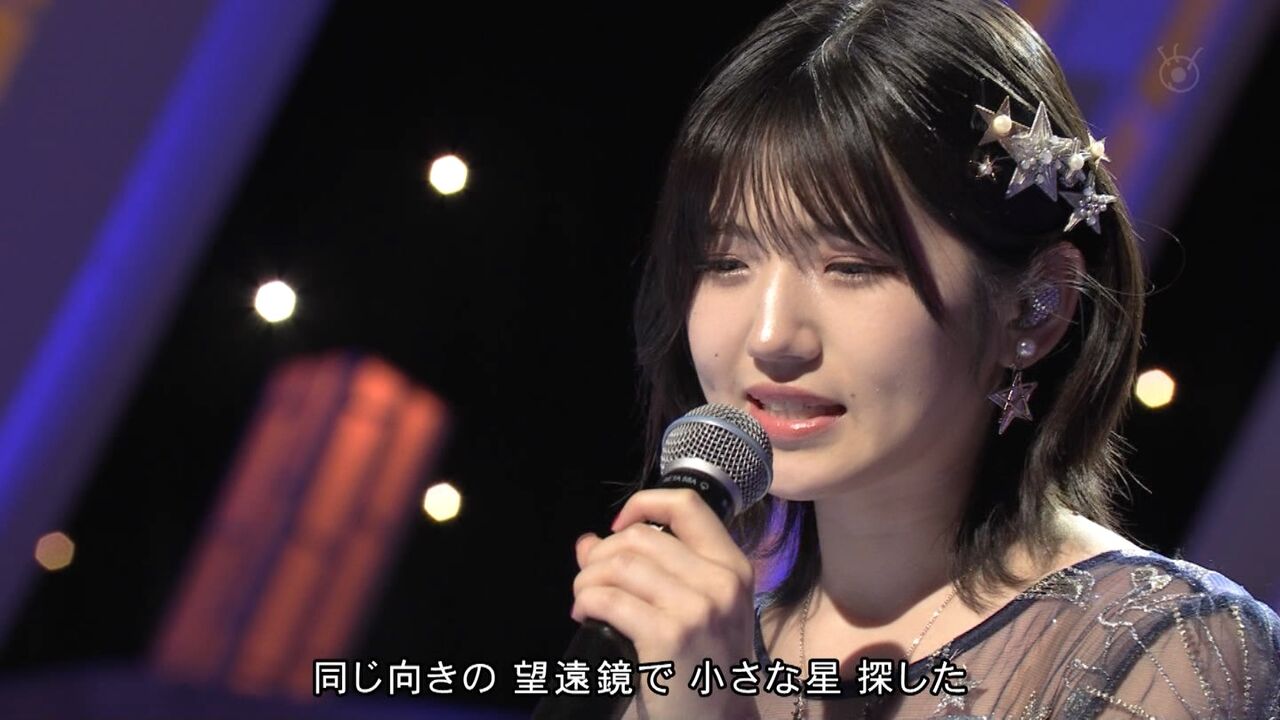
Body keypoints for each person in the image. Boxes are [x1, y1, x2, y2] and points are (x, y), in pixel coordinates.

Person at [569, 1, 1280, 718]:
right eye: (726, 262)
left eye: (852, 266)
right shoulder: (682, 644)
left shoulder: (1169, 648)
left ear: (1035, 306)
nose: (771, 335)